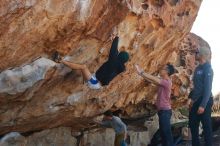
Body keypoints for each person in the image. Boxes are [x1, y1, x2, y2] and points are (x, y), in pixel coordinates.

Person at [52, 36, 129, 90]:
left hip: (95, 82)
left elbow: (113, 50)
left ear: (119, 56)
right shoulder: (120, 66)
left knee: (83, 67)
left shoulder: (114, 61)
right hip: (97, 82)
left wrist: (116, 38)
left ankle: (60, 60)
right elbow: (115, 53)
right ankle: (85, 80)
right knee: (83, 69)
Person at [135, 63, 175, 146]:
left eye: (163, 69)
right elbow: (152, 80)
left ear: (167, 71)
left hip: (165, 111)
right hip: (162, 111)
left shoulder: (167, 82)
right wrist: (141, 74)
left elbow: (154, 78)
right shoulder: (163, 82)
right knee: (164, 134)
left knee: (166, 134)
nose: (161, 70)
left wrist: (141, 72)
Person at [188, 46, 213, 146]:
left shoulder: (208, 69)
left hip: (205, 101)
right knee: (193, 125)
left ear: (202, 55)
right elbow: (196, 88)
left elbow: (207, 89)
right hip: (196, 100)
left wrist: (203, 105)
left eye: (197, 53)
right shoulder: (197, 68)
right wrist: (190, 98)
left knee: (206, 127)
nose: (195, 54)